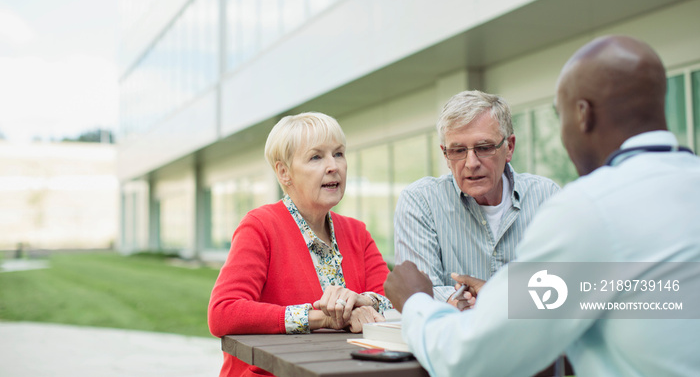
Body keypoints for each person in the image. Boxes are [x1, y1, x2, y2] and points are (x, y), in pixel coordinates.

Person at [384, 35, 700, 376]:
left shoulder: (587, 209)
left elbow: (474, 356)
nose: (470, 162)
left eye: (558, 116)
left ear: (583, 115)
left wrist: (415, 300)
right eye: (457, 150)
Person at [209, 112, 393, 377]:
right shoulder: (259, 226)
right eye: (316, 157)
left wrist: (361, 301)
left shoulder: (357, 232)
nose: (334, 166)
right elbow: (223, 312)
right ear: (284, 172)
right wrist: (321, 318)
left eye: (339, 154)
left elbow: (395, 301)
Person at [394, 90, 560, 302]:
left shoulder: (545, 197)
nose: (471, 163)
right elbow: (417, 294)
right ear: (445, 154)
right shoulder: (421, 202)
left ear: (509, 147)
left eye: (483, 148)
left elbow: (565, 286)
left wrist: (488, 296)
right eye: (458, 151)